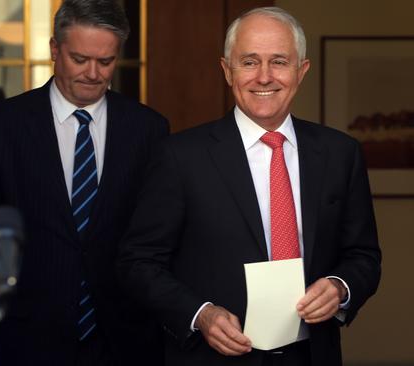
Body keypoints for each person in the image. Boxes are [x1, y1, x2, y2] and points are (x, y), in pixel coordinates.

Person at [117, 6, 381, 366]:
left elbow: (364, 256)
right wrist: (200, 314)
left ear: (301, 71)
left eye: (279, 62)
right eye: (250, 62)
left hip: (313, 355)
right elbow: (138, 262)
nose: (264, 77)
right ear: (227, 70)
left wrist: (340, 286)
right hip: (212, 357)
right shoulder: (180, 157)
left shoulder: (340, 153)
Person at [0, 0, 168, 365]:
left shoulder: (149, 129)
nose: (93, 73)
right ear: (54, 49)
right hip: (26, 336)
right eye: (80, 59)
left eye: (106, 61)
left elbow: (155, 236)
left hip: (124, 336)